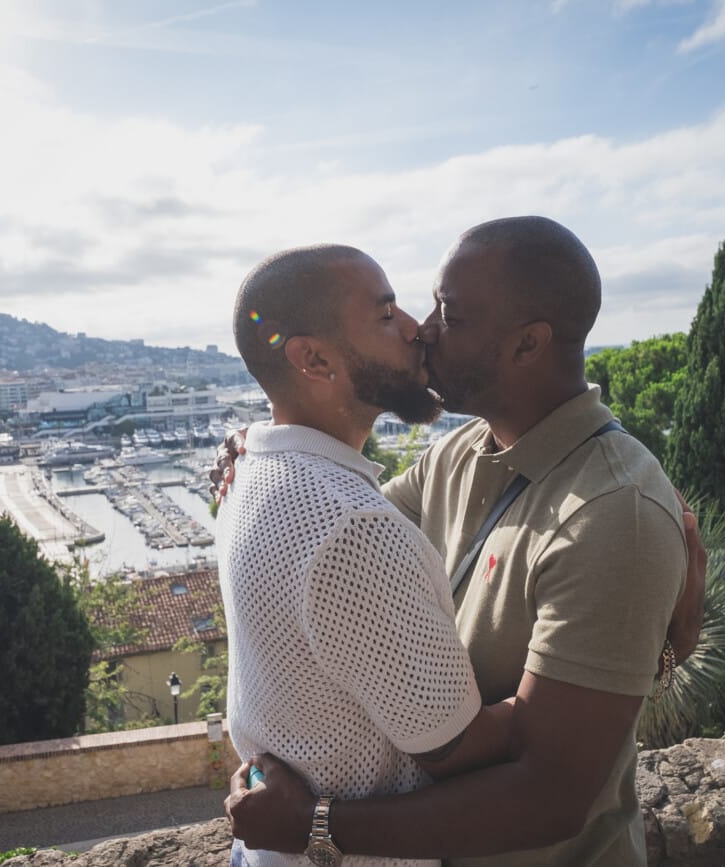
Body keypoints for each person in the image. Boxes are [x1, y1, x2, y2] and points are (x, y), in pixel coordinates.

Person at [223, 216, 701, 866]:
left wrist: (316, 824)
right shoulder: (460, 453)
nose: (424, 327)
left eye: (451, 313)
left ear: (528, 345)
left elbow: (554, 793)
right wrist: (268, 452)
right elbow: (329, 555)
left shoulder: (615, 509)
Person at [220, 244, 516, 866]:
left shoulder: (253, 469)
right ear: (313, 359)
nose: (416, 329)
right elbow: (457, 746)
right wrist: (629, 671)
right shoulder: (351, 526)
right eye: (386, 316)